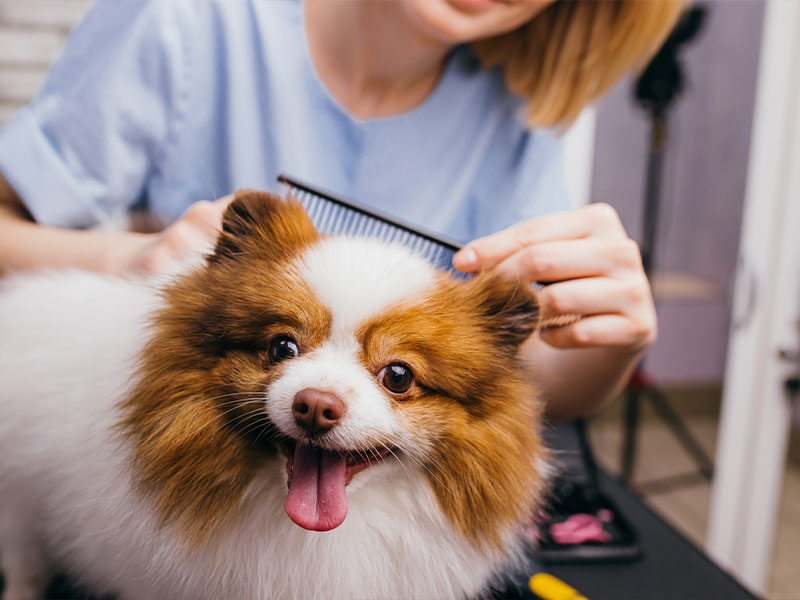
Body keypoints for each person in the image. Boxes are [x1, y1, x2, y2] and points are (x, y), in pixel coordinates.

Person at [0, 0, 683, 421]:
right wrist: (130, 261)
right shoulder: (188, 19)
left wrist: (610, 348)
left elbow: (523, 388)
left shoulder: (518, 121)